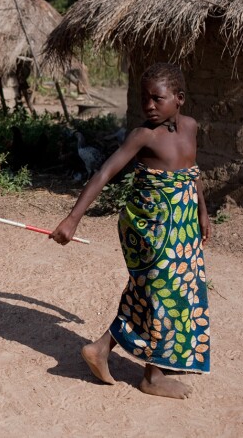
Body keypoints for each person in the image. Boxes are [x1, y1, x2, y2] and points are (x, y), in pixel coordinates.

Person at [50, 62, 211, 399]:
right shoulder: (143, 135)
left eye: (157, 98)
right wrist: (73, 218)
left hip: (181, 224)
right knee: (160, 292)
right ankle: (151, 376)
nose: (149, 106)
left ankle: (102, 349)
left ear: (179, 99)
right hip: (148, 225)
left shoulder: (191, 127)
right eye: (144, 99)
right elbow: (104, 173)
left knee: (173, 289)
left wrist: (202, 211)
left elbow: (192, 173)